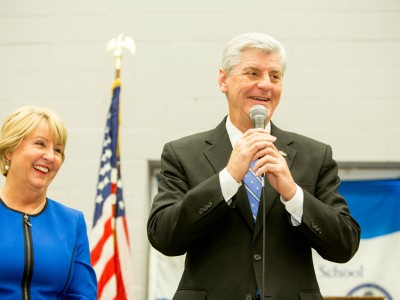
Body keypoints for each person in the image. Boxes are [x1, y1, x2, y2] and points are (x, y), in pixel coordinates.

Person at [147, 32, 361, 300]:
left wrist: (294, 194)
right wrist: (227, 178)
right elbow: (163, 236)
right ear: (224, 80)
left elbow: (345, 245)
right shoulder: (182, 154)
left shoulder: (315, 155)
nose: (265, 85)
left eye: (275, 76)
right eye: (252, 73)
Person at [0, 106, 97, 299]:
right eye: (40, 144)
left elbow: (82, 295)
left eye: (58, 150)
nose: (51, 156)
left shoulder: (72, 222)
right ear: (9, 150)